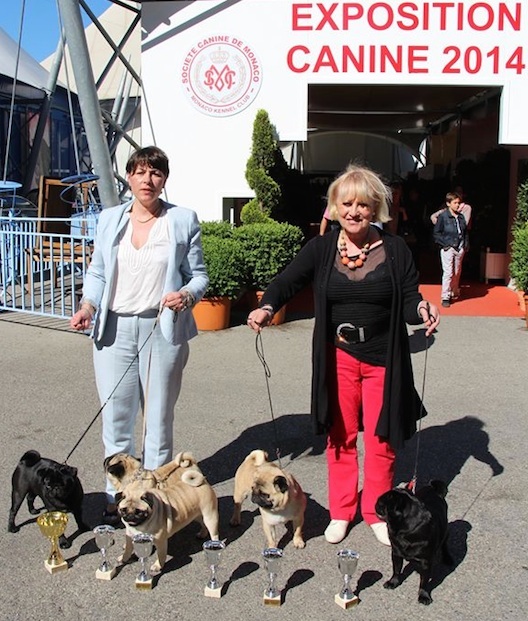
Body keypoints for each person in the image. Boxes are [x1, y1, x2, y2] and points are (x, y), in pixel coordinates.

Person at [247, 164, 440, 546]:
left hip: (384, 357)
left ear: (376, 209)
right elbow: (288, 280)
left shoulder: (396, 250)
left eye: (363, 205)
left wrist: (421, 310)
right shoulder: (321, 248)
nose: (354, 211)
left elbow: (409, 298)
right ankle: (341, 510)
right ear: (334, 207)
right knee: (341, 436)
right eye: (346, 203)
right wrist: (267, 306)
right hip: (338, 356)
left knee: (383, 438)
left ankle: (376, 510)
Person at [70, 146, 208, 521]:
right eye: (141, 172)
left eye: (156, 173)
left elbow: (199, 275)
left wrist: (187, 294)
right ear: (128, 176)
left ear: (164, 179)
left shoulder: (181, 219)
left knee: (158, 420)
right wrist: (88, 307)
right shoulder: (110, 219)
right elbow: (98, 273)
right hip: (113, 328)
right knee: (116, 418)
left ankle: (156, 499)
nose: (148, 180)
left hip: (160, 328)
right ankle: (117, 496)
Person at [433, 191, 468, 307]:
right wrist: (445, 245)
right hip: (448, 247)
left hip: (459, 246)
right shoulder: (443, 217)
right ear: (448, 204)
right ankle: (445, 296)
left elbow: (465, 232)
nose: (457, 205)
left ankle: (454, 290)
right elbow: (436, 233)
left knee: (457, 271)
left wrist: (465, 245)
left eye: (459, 203)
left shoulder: (461, 217)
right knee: (448, 272)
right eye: (455, 203)